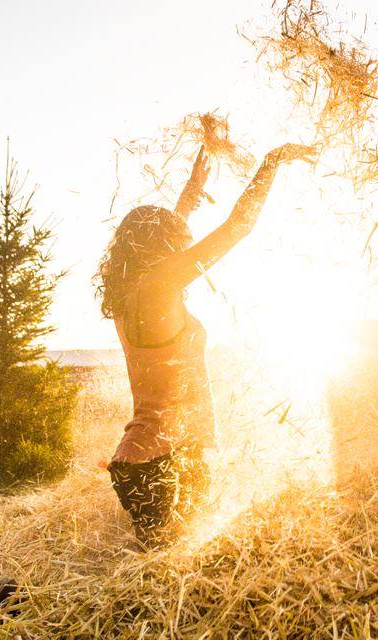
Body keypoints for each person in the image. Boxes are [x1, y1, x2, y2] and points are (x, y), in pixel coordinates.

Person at [96, 142, 316, 546]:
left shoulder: (135, 291)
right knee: (160, 575)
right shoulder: (158, 286)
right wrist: (271, 160)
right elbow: (237, 227)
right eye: (176, 238)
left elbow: (168, 233)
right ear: (163, 246)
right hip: (157, 461)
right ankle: (17, 600)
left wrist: (191, 191)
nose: (184, 243)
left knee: (172, 573)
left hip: (166, 454)